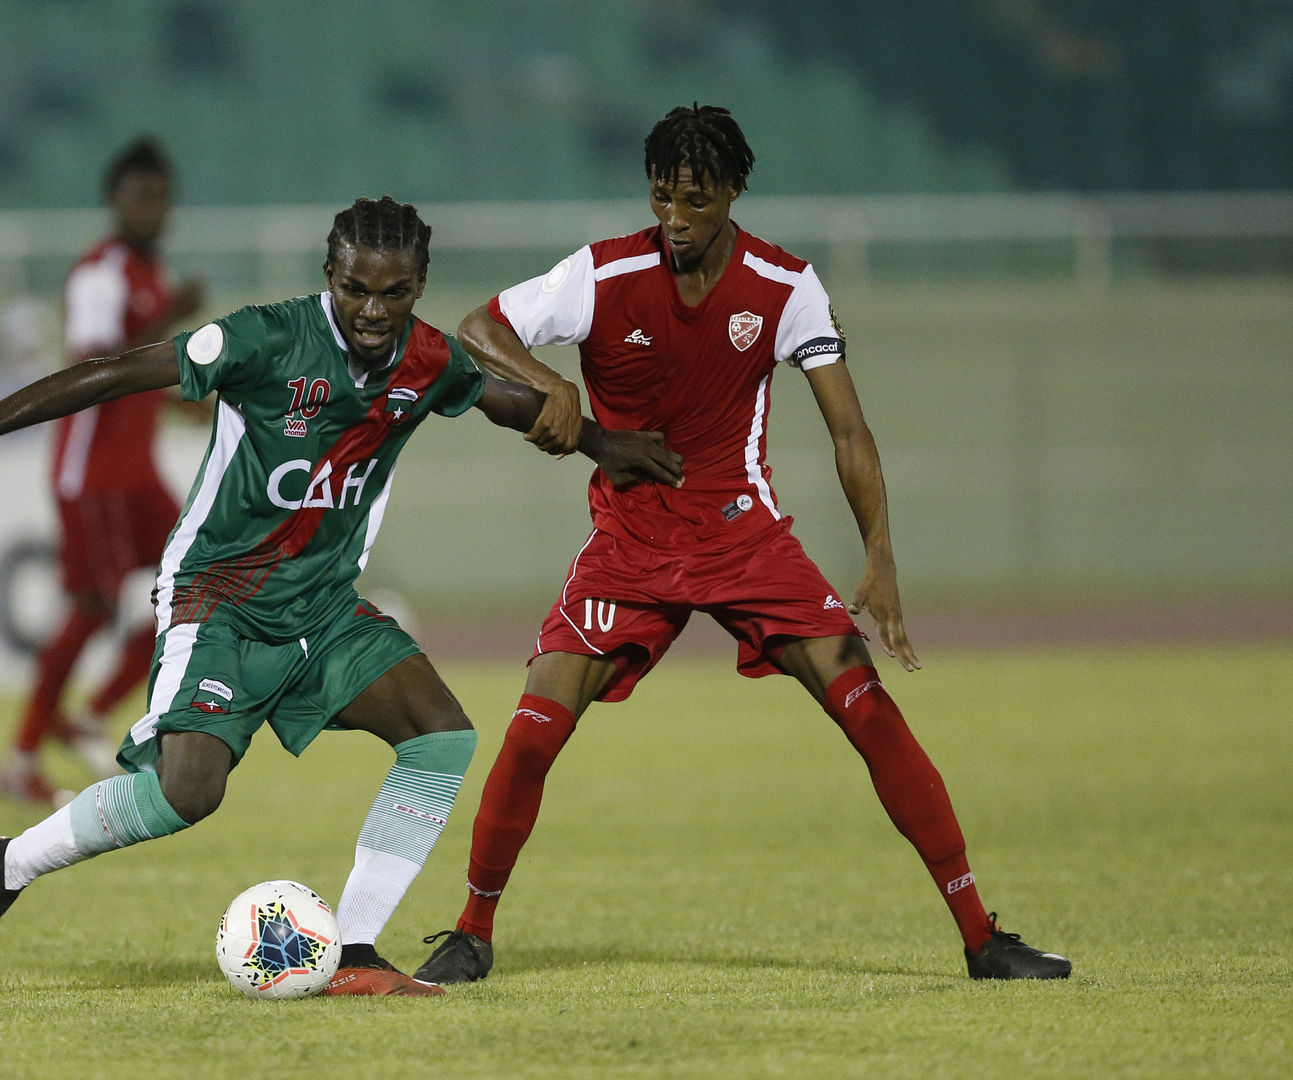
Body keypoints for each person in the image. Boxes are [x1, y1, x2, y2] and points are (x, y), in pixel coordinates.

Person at [0, 196, 684, 996]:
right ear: (329, 276)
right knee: (187, 792)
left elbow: (503, 402)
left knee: (439, 735)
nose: (373, 311)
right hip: (219, 597)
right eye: (355, 289)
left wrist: (599, 442)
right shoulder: (264, 337)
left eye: (395, 292)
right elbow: (114, 372)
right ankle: (9, 863)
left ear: (418, 285)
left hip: (321, 605)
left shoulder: (426, 359)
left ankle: (356, 952)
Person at [413, 105, 1072, 984]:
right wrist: (547, 382)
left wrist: (878, 555)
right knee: (532, 731)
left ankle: (980, 937)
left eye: (692, 201)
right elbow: (478, 327)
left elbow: (848, 432)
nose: (674, 220)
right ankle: (470, 932)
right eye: (660, 199)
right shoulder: (601, 273)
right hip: (630, 541)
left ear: (730, 191)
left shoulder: (784, 285)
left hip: (741, 537)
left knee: (869, 713)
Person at [0, 137, 208, 805]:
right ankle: (21, 755)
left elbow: (134, 378)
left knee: (200, 580)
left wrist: (180, 406)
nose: (150, 208)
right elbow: (93, 369)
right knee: (91, 608)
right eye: (138, 195)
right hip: (91, 471)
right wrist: (170, 318)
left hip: (135, 471)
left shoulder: (151, 277)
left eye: (160, 196)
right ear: (113, 201)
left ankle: (88, 718)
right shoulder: (101, 275)